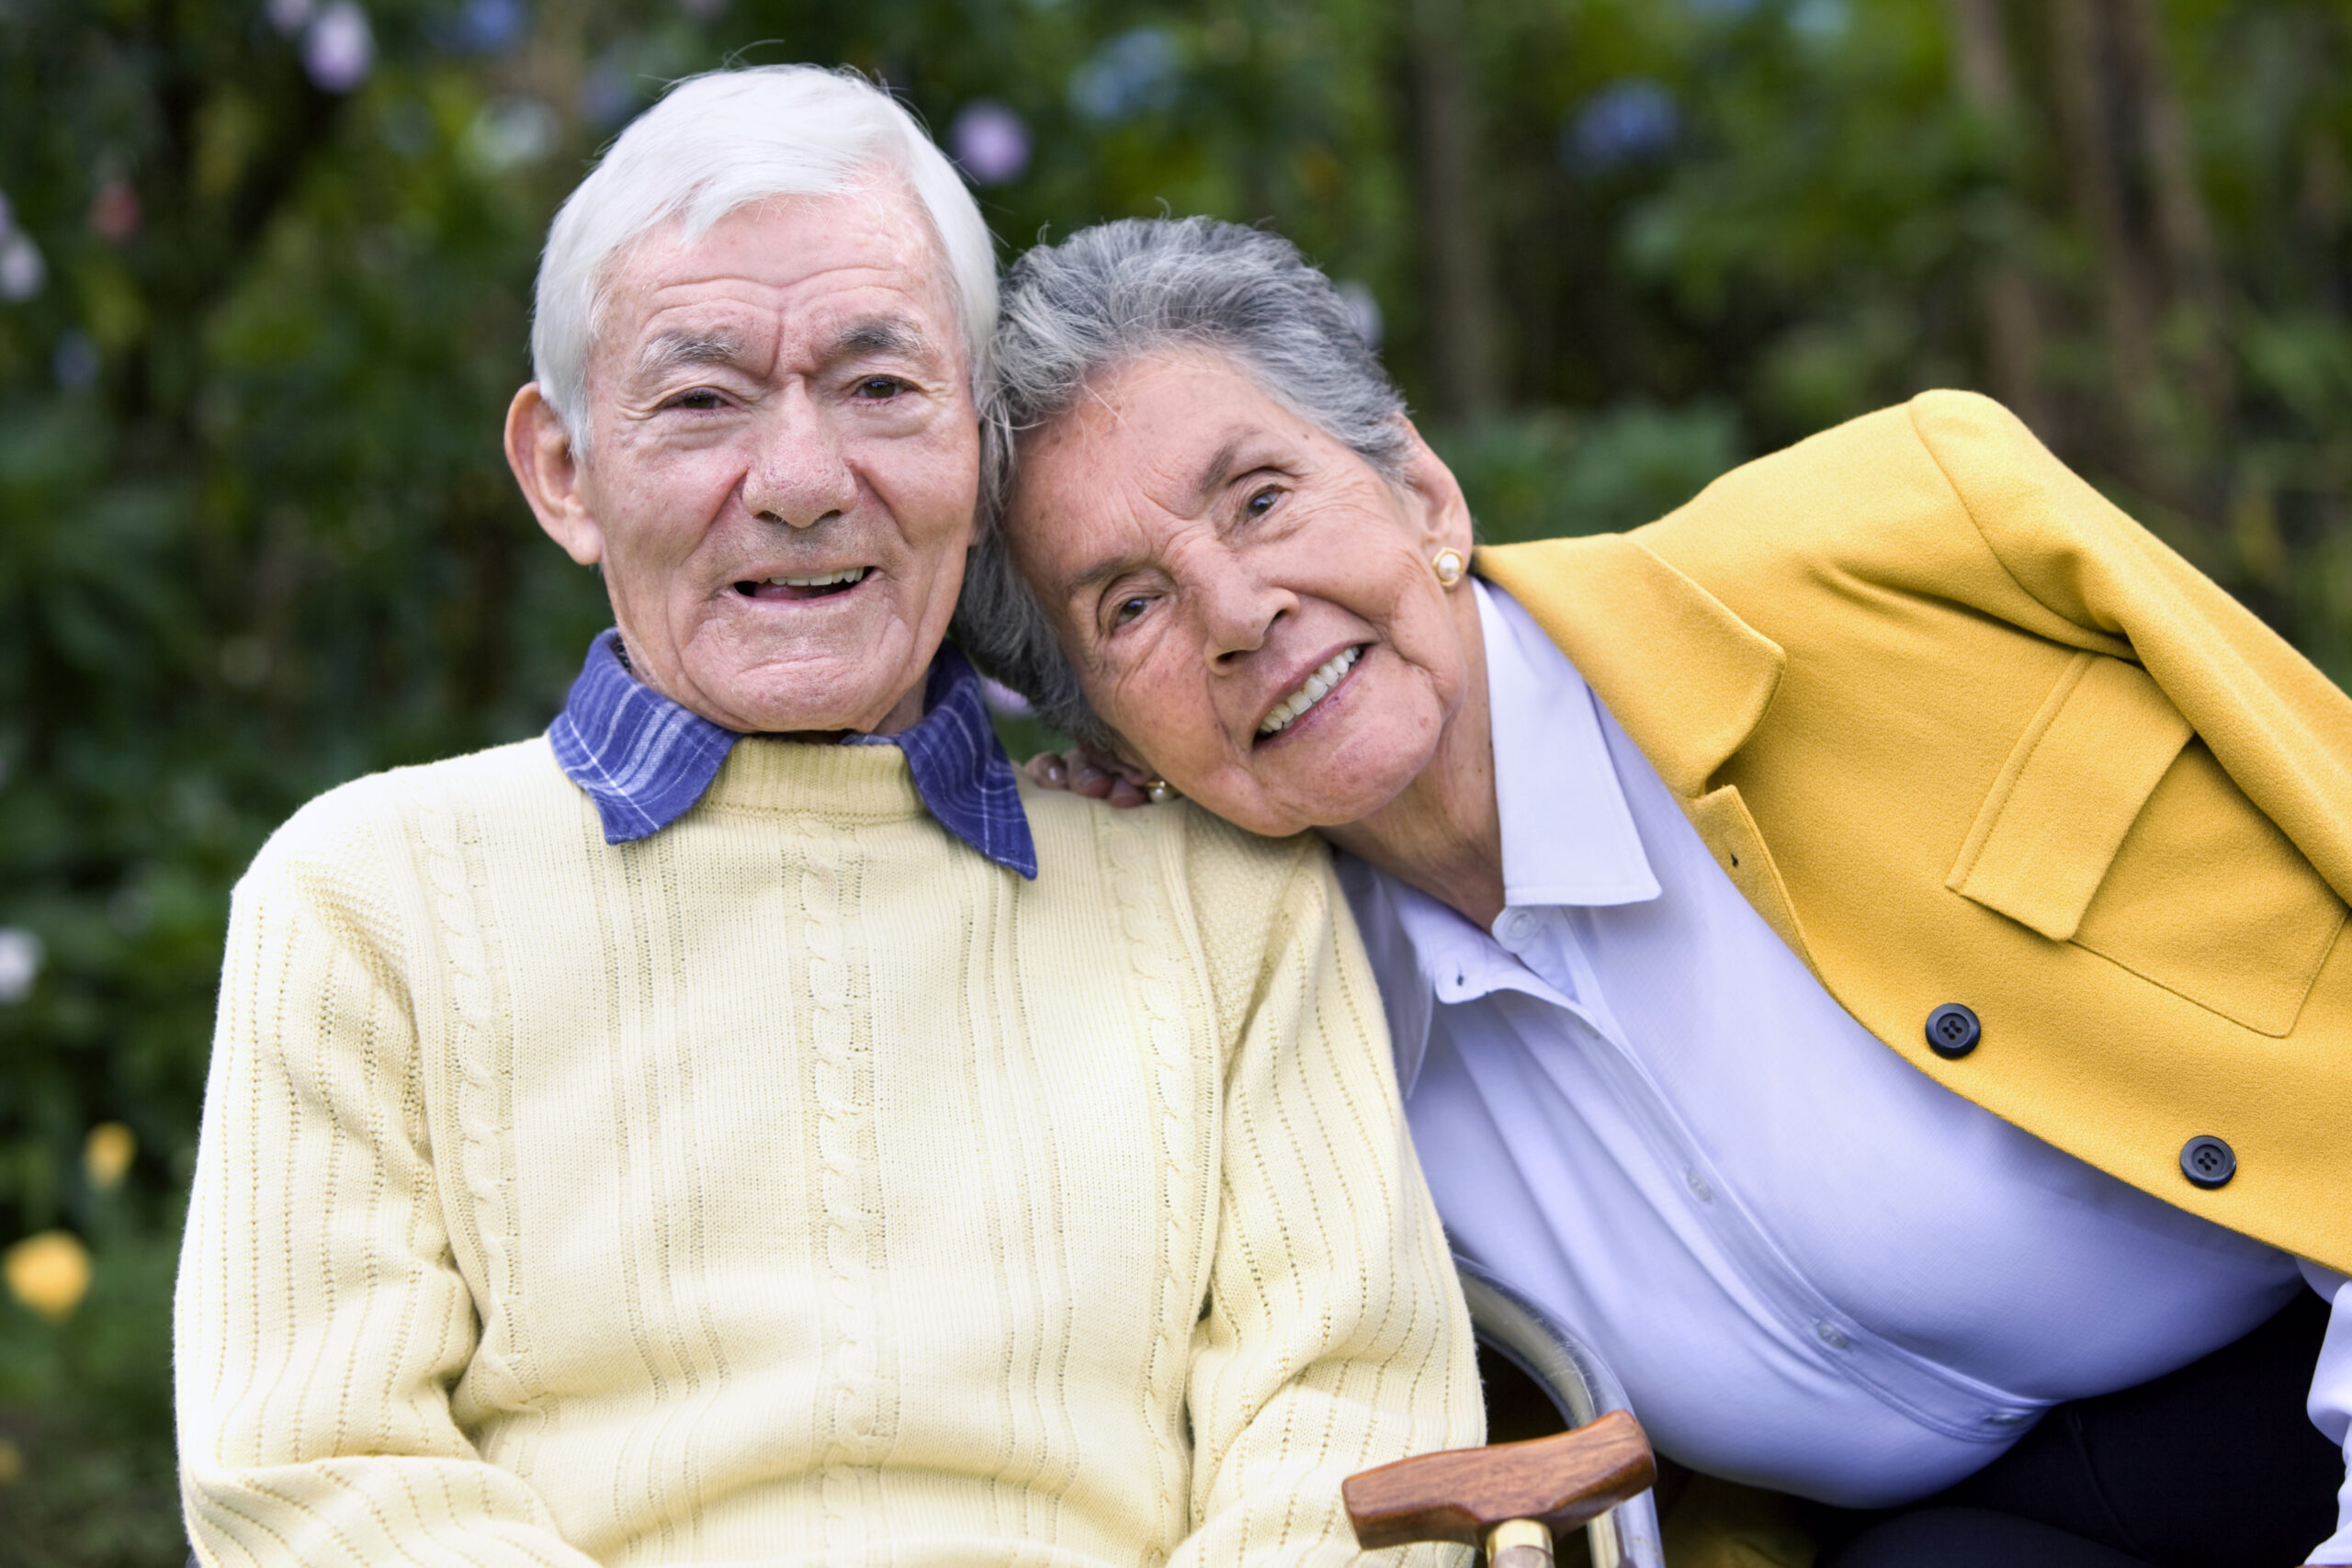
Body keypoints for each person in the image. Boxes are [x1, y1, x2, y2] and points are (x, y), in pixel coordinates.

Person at [172, 75, 1480, 1568]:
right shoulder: (368, 900)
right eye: (702, 398)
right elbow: (317, 1472)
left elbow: (1355, 1430)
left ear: (977, 458)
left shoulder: (1218, 897)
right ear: (563, 470)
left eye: (877, 388)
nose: (800, 484)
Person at [959, 216, 2352, 1568]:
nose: (1236, 612)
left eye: (1261, 499)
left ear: (1422, 491)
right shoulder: (1274, 1003)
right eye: (1128, 607)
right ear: (1106, 733)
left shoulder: (1911, 551)